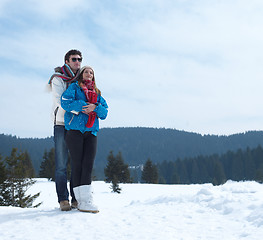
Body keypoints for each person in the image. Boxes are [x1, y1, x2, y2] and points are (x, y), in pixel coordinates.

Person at [61, 66, 108, 213]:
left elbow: (105, 112)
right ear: (81, 75)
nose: (89, 74)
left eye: (92, 72)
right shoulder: (74, 88)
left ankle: (85, 200)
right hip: (74, 131)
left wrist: (94, 107)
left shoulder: (97, 93)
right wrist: (83, 106)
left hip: (91, 132)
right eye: (86, 71)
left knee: (88, 164)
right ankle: (79, 200)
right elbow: (65, 102)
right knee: (77, 164)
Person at [48, 49, 82, 211]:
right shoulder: (57, 79)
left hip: (76, 125)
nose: (78, 62)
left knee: (77, 162)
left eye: (80, 59)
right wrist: (81, 109)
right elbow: (61, 100)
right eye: (74, 59)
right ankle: (63, 199)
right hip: (61, 123)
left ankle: (76, 198)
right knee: (62, 164)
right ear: (67, 61)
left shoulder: (83, 78)